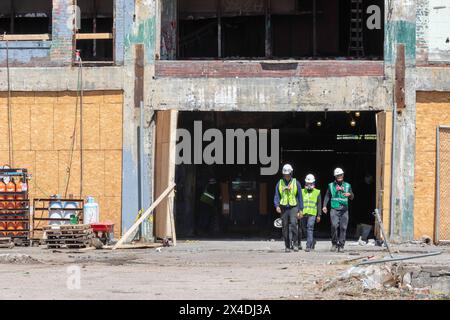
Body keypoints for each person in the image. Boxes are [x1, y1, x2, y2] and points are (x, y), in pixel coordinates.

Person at [322, 168, 354, 253]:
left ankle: (341, 245)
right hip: (334, 209)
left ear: (343, 175)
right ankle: (334, 243)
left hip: (344, 210)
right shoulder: (331, 185)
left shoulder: (347, 185)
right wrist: (324, 206)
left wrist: (349, 194)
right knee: (334, 226)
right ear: (335, 176)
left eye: (340, 175)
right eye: (337, 175)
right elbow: (327, 196)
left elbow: (352, 196)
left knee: (343, 228)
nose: (339, 177)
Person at [274, 164, 304, 252]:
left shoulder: (296, 182)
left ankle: (295, 244)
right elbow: (277, 195)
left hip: (294, 207)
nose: (287, 176)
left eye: (288, 174)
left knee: (294, 224)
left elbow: (300, 197)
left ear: (291, 173)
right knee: (285, 227)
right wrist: (277, 206)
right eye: (285, 174)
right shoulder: (279, 183)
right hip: (283, 208)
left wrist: (301, 209)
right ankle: (287, 246)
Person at [299, 174, 322, 252]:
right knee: (304, 229)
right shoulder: (301, 191)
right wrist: (299, 211)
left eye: (311, 183)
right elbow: (299, 202)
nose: (309, 185)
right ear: (305, 183)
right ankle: (312, 241)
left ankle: (308, 245)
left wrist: (319, 215)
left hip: (312, 214)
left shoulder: (317, 192)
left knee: (310, 228)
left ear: (313, 183)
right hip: (303, 213)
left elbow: (319, 204)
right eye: (308, 183)